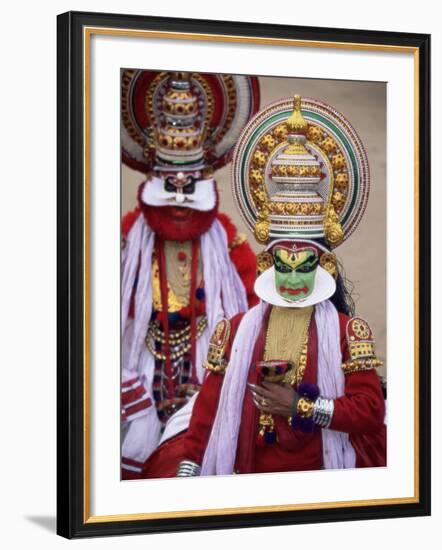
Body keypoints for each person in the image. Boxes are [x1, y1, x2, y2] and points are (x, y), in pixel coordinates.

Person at [176, 94, 386, 477]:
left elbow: (371, 412)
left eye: (302, 266)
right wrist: (187, 474)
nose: (291, 280)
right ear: (266, 265)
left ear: (323, 265)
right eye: (282, 266)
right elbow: (206, 415)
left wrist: (302, 407)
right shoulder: (235, 330)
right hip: (247, 477)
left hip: (319, 476)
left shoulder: (347, 333)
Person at [120, 71, 260, 478]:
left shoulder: (227, 242)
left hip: (203, 383)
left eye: (190, 185)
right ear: (152, 177)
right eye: (169, 185)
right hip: (135, 378)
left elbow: (251, 318)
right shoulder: (127, 239)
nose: (180, 197)